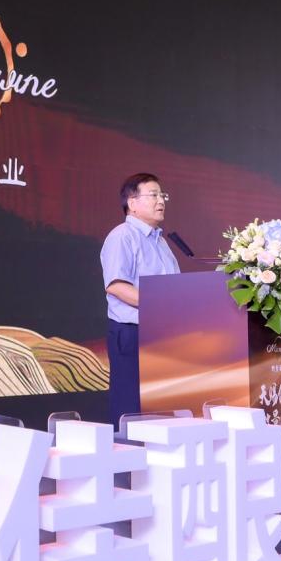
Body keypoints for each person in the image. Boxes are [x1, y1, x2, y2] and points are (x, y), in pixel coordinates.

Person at [99, 173, 180, 427]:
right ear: (132, 203)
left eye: (162, 195)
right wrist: (158, 306)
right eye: (153, 195)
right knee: (131, 407)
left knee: (160, 409)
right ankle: (128, 453)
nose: (161, 201)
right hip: (132, 334)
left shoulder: (162, 242)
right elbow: (116, 286)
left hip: (163, 335)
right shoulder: (122, 236)